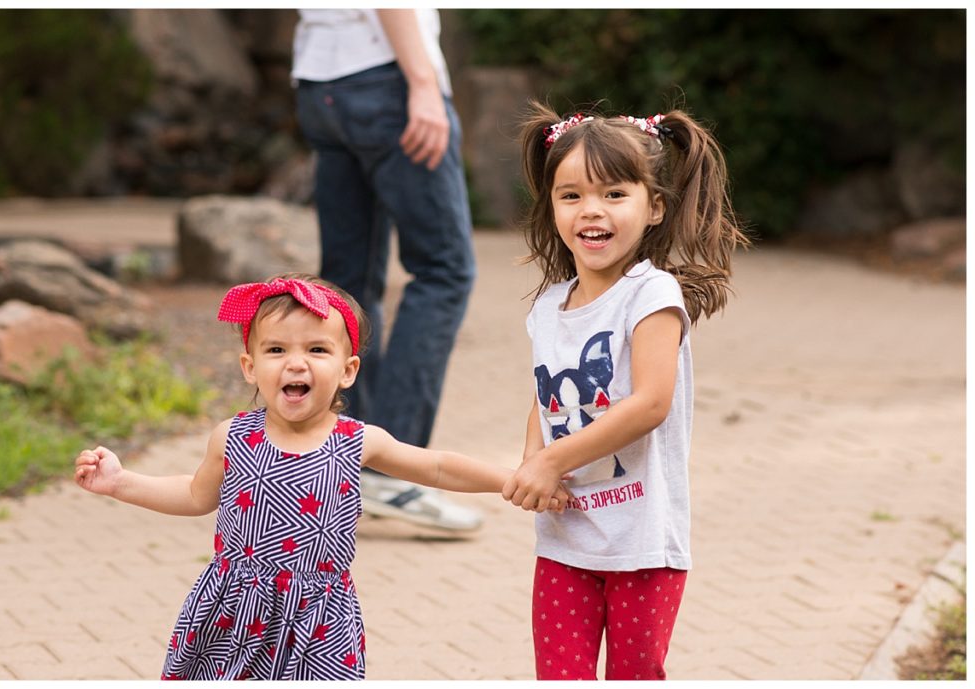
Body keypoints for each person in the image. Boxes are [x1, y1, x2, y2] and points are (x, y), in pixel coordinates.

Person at [74, 273, 568, 680]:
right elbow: (193, 494)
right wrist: (121, 482)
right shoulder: (232, 438)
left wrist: (515, 478)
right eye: (275, 351)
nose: (296, 362)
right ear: (249, 366)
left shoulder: (357, 441)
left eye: (316, 349)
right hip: (231, 615)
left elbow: (436, 466)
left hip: (320, 621)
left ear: (347, 370)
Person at [502, 102, 751, 680]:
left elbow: (650, 403)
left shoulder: (651, 295)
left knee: (633, 676)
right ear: (553, 208)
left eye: (614, 194)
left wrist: (553, 460)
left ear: (654, 206)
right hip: (565, 539)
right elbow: (543, 395)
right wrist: (531, 463)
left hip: (641, 544)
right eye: (572, 196)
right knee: (559, 675)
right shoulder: (548, 308)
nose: (592, 210)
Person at [291, 9, 481, 532]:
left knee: (347, 284)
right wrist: (421, 81)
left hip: (320, 82)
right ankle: (390, 467)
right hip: (386, 76)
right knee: (444, 270)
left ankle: (336, 463)